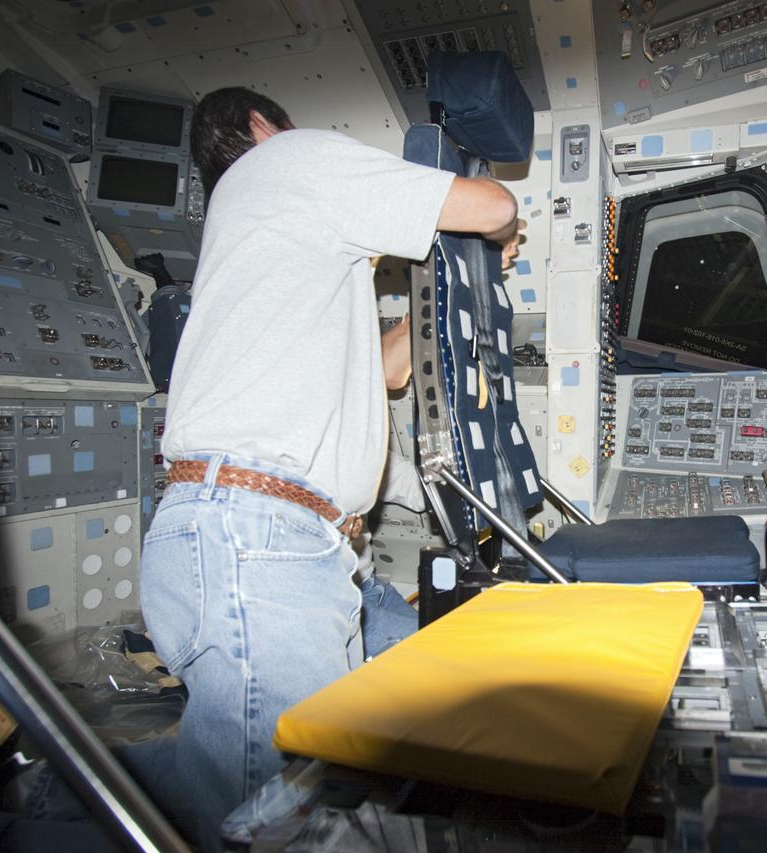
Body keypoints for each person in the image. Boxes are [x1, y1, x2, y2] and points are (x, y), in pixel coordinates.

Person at [139, 87, 519, 845]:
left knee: (257, 780)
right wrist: (501, 227)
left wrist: (453, 292)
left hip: (269, 541)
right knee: (275, 820)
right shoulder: (288, 159)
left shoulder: (268, 231)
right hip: (257, 540)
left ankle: (46, 780)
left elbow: (386, 371)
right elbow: (491, 204)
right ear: (259, 127)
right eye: (287, 125)